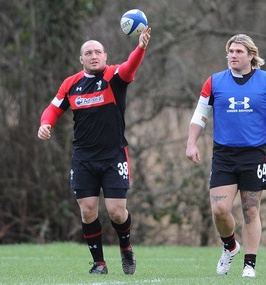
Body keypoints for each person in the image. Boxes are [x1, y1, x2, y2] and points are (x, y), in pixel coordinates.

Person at [37, 27, 151, 275]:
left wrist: (140, 47)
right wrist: (45, 124)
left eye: (98, 51)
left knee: (116, 212)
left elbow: (130, 67)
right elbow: (53, 108)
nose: (93, 55)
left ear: (105, 55)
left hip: (113, 156)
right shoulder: (71, 84)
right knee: (88, 211)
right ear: (81, 59)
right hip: (83, 159)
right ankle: (99, 263)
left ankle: (126, 248)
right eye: (88, 53)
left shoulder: (114, 77)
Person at [186, 34, 266, 278]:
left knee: (251, 210)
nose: (233, 55)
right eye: (230, 51)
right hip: (223, 154)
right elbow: (200, 114)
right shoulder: (214, 82)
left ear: (251, 55)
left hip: (254, 155)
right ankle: (231, 246)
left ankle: (249, 265)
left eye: (239, 51)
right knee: (220, 209)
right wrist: (191, 142)